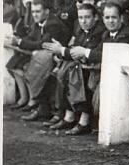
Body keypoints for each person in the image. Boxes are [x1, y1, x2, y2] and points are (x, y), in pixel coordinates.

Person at [41, 3, 106, 135]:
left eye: (87, 17)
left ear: (96, 18)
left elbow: (86, 55)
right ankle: (67, 116)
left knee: (79, 74)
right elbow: (75, 51)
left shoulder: (99, 32)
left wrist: (63, 51)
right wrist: (61, 52)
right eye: (81, 18)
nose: (84, 21)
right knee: (64, 71)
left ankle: (84, 121)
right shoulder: (80, 31)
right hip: (83, 66)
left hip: (97, 69)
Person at [5, 0, 71, 121]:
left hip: (61, 58)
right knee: (25, 64)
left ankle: (44, 108)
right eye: (33, 12)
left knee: (37, 63)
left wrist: (20, 42)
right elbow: (31, 38)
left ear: (46, 11)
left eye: (38, 11)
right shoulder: (39, 22)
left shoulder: (53, 23)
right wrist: (18, 40)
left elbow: (43, 44)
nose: (34, 14)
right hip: (48, 58)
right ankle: (40, 106)